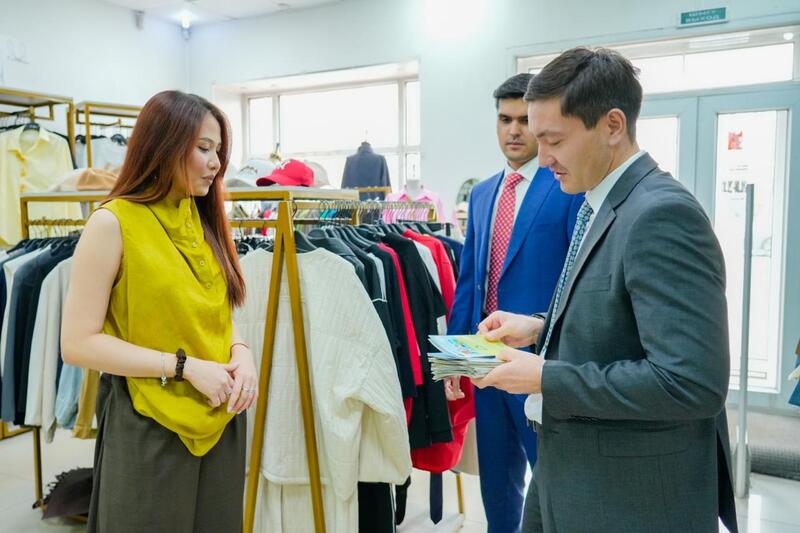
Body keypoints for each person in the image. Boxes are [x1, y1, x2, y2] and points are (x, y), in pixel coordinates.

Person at [474, 48, 738, 533]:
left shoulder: (661, 215)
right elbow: (620, 316)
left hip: (629, 494)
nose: (543, 158)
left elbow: (691, 383)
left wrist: (545, 377)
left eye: (554, 140)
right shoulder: (602, 200)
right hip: (571, 471)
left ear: (612, 125)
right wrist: (539, 327)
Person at [61, 90, 258, 533]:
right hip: (150, 418)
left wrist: (241, 351)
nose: (216, 163)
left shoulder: (200, 217)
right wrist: (184, 367)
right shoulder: (112, 223)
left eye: (219, 151)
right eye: (203, 148)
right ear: (163, 145)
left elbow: (214, 313)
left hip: (221, 415)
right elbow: (77, 344)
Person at [446, 73, 581, 533]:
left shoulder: (564, 186)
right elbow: (470, 280)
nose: (515, 130)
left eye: (524, 120)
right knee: (497, 480)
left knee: (550, 480)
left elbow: (573, 278)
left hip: (539, 360)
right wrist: (455, 360)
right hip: (485, 357)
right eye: (505, 119)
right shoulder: (483, 193)